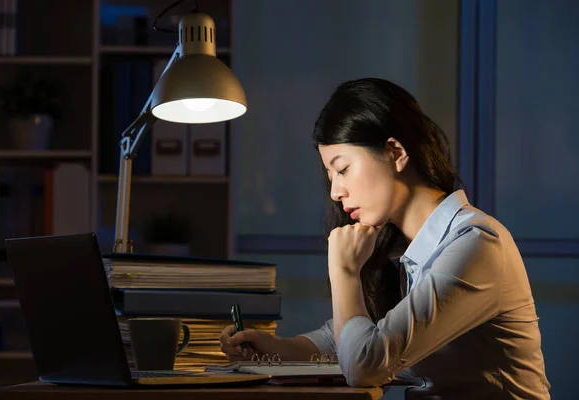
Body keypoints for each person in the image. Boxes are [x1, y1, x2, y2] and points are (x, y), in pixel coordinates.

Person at [218, 78, 551, 399]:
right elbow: (342, 340)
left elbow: (364, 365)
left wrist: (345, 273)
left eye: (343, 168)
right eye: (330, 175)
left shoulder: (476, 244)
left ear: (395, 153)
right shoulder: (408, 249)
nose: (335, 191)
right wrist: (273, 348)